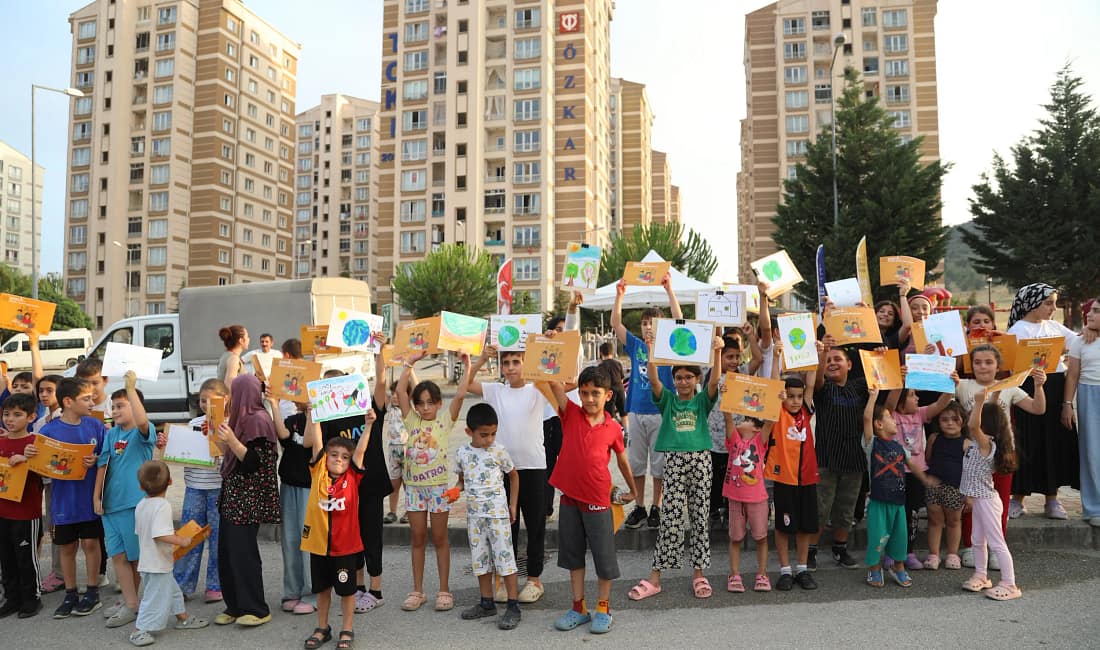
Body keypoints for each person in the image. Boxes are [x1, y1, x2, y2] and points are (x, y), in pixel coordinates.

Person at [627, 328, 722, 601]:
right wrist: (651, 349)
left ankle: (699, 574)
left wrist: (716, 351)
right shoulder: (667, 400)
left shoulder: (702, 401)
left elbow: (715, 382)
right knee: (670, 519)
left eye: (688, 377)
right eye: (679, 377)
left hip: (701, 460)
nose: (683, 382)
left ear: (697, 379)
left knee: (699, 517)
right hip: (674, 461)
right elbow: (654, 379)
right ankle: (655, 577)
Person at [545, 366, 637, 634]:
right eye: (584, 393)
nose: (588, 399)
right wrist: (554, 350)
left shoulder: (614, 428)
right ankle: (578, 608)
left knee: (603, 559)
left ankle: (603, 608)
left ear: (608, 395)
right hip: (569, 499)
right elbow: (553, 382)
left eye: (595, 393)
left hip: (598, 500)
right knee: (573, 557)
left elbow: (622, 461)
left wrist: (633, 491)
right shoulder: (571, 413)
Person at [466, 342, 553, 605]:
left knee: (535, 524)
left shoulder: (537, 388)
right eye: (506, 363)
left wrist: (548, 347)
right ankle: (506, 578)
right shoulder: (496, 390)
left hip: (534, 467)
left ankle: (534, 579)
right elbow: (466, 384)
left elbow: (567, 382)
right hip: (502, 470)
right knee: (506, 527)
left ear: (525, 362)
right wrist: (481, 359)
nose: (511, 367)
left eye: (516, 362)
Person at [316, 343, 392, 615]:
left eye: (337, 387)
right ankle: (359, 587)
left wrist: (379, 352)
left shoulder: (368, 410)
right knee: (354, 537)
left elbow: (381, 381)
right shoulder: (328, 421)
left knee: (372, 536)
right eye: (327, 390)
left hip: (370, 484)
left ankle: (376, 590)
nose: (333, 394)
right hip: (345, 490)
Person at [955, 344, 1045, 568]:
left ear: (998, 365)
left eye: (989, 362)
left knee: (1000, 502)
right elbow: (944, 407)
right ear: (971, 365)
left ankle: (997, 547)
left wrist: (1038, 385)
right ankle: (970, 545)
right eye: (977, 362)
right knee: (972, 500)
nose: (983, 366)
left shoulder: (1009, 386)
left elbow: (1037, 408)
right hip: (975, 453)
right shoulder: (963, 385)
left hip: (1003, 451)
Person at [395, 352, 470, 612]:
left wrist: (467, 365)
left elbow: (460, 396)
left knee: (440, 538)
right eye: (421, 403)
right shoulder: (411, 420)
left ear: (438, 404)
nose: (425, 407)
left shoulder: (445, 421)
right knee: (417, 538)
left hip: (438, 489)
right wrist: (410, 362)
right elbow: (400, 392)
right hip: (414, 490)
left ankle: (444, 590)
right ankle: (417, 591)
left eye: (430, 402)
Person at [300, 403, 377, 650]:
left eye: (344, 457)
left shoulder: (352, 476)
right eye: (334, 455)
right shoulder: (318, 471)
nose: (339, 460)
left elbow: (361, 450)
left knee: (347, 591)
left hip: (345, 547)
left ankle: (347, 628)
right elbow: (317, 443)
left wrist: (369, 425)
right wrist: (314, 416)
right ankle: (322, 627)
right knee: (322, 590)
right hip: (319, 545)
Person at [30, 377, 106, 618]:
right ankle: (70, 593)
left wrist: (97, 459)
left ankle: (92, 592)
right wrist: (31, 454)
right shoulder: (49, 430)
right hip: (63, 501)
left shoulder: (95, 426)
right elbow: (39, 466)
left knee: (91, 543)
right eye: (86, 399)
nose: (92, 402)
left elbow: (107, 457)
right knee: (67, 546)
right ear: (68, 402)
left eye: (92, 398)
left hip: (89, 499)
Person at [1006, 283, 1082, 520]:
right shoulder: (1017, 331)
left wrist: (1090, 331)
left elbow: (1077, 343)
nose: (1053, 308)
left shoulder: (1054, 326)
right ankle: (1018, 498)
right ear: (1032, 303)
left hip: (1055, 388)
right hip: (1028, 390)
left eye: (1054, 303)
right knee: (1027, 441)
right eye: (1048, 303)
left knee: (1054, 441)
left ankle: (1052, 498)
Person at [612, 273, 679, 530]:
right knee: (637, 463)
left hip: (661, 412)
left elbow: (680, 321)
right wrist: (619, 296)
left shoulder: (670, 345)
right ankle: (639, 506)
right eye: (644, 323)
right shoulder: (636, 345)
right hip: (637, 412)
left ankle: (656, 507)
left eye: (652, 323)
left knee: (659, 465)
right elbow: (616, 323)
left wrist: (669, 290)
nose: (647, 327)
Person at [212, 374, 280, 627]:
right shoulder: (239, 419)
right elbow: (232, 456)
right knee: (227, 553)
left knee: (244, 554)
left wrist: (232, 440)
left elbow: (255, 463)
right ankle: (234, 605)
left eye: (236, 391)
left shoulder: (259, 420)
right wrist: (221, 440)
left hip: (249, 499)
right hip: (233, 497)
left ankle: (257, 608)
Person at [93, 371, 156, 629]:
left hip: (133, 505)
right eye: (114, 406)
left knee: (135, 558)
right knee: (118, 556)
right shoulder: (111, 434)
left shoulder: (143, 433)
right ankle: (130, 603)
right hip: (110, 506)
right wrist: (97, 496)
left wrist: (131, 388)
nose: (115, 410)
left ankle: (136, 603)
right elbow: (102, 465)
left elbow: (142, 421)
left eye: (121, 406)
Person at [454, 403, 522, 631]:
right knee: (480, 560)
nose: (489, 439)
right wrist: (455, 490)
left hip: (497, 516)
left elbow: (513, 476)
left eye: (493, 434)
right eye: (484, 435)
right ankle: (486, 602)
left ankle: (513, 605)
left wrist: (513, 505)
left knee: (505, 559)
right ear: (469, 431)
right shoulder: (462, 453)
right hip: (475, 518)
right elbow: (462, 481)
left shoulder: (498, 451)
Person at [861, 388, 938, 588]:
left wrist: (925, 479)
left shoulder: (900, 448)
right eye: (889, 417)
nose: (894, 420)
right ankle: (874, 568)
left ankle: (898, 567)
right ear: (878, 424)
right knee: (877, 538)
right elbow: (867, 417)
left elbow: (912, 465)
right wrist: (873, 397)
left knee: (900, 538)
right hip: (879, 502)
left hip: (898, 503)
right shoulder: (872, 444)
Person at [129, 460, 209, 646]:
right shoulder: (163, 506)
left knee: (173, 591)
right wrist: (182, 540)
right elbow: (159, 534)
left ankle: (183, 618)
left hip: (150, 561)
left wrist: (171, 533)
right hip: (157, 564)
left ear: (141, 486)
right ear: (171, 482)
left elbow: (146, 530)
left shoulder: (141, 504)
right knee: (153, 598)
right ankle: (138, 630)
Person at [807, 336, 869, 571]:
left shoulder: (859, 387)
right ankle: (810, 551)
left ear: (849, 364)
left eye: (838, 359)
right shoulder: (823, 389)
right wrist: (822, 353)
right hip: (825, 459)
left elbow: (885, 379)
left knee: (846, 509)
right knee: (820, 509)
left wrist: (884, 358)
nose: (832, 363)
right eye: (828, 360)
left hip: (854, 459)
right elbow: (818, 378)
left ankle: (840, 549)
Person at [883, 383, 955, 570]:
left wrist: (950, 384)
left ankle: (908, 552)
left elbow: (940, 404)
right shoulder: (892, 415)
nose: (917, 398)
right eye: (912, 395)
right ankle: (890, 552)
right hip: (895, 473)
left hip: (917, 472)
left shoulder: (920, 414)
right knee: (894, 513)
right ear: (901, 403)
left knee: (912, 513)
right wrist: (899, 382)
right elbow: (890, 403)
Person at [961, 391, 1022, 601]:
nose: (971, 416)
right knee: (977, 540)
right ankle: (981, 575)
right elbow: (986, 417)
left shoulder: (986, 445)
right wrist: (993, 397)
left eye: (976, 414)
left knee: (997, 543)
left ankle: (1009, 584)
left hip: (987, 501)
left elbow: (973, 425)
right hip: (979, 500)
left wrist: (979, 402)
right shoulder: (977, 442)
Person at [173, 379, 225, 603]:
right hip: (194, 487)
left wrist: (216, 436)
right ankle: (182, 585)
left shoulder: (228, 425)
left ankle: (215, 585)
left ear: (225, 400)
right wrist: (169, 445)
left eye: (211, 401)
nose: (205, 405)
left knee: (217, 539)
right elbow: (182, 451)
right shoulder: (194, 423)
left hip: (218, 488)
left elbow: (228, 458)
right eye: (203, 400)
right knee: (189, 536)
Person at [268, 392, 316, 616]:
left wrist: (312, 412)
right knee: (290, 540)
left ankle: (312, 593)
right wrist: (274, 404)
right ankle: (292, 591)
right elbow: (285, 438)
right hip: (288, 484)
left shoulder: (321, 419)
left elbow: (308, 442)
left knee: (309, 540)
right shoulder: (292, 419)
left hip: (310, 487)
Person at [0, 392, 46, 618]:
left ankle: (32, 598)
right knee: (6, 557)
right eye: (6, 414)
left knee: (26, 558)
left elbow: (49, 471)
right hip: (2, 511)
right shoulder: (1, 441)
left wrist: (27, 459)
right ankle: (12, 598)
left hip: (26, 513)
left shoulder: (36, 443)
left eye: (17, 414)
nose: (10, 419)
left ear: (31, 417)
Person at [724, 416, 770, 593]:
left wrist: (775, 403)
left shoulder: (759, 441)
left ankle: (762, 574)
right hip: (735, 498)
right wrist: (728, 407)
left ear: (756, 428)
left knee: (761, 537)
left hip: (757, 498)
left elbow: (769, 422)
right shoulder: (734, 439)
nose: (740, 421)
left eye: (746, 419)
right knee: (735, 538)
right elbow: (728, 419)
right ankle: (734, 574)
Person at [1064, 297, 1100, 526]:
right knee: (1091, 451)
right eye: (1090, 310)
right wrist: (1067, 404)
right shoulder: (1081, 341)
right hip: (1089, 395)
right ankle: (1094, 508)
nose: (1090, 314)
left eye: (1096, 311)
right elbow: (1072, 375)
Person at [922, 401, 968, 571]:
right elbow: (928, 459)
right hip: (934, 486)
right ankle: (933, 554)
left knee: (954, 521)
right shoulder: (934, 438)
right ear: (938, 421)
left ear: (963, 421)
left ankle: (952, 554)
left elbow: (970, 471)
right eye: (945, 419)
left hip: (955, 488)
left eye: (955, 419)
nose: (950, 423)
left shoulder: (967, 443)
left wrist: (969, 495)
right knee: (934, 520)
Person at [34, 373, 65, 594]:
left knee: (63, 526)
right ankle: (58, 571)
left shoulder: (65, 419)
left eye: (49, 391)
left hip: (64, 481)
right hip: (47, 481)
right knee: (54, 526)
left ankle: (62, 574)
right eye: (41, 391)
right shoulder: (39, 422)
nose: (44, 395)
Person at [383, 379, 412, 525]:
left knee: (408, 484)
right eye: (393, 393)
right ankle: (392, 511)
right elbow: (381, 390)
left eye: (398, 394)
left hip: (407, 450)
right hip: (393, 450)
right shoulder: (390, 409)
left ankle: (409, 511)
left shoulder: (410, 410)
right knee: (394, 484)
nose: (394, 396)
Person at [597, 341, 627, 426]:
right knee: (624, 414)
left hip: (610, 392)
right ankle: (627, 432)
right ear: (612, 352)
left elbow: (601, 382)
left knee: (610, 415)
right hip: (621, 390)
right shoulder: (618, 364)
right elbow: (622, 379)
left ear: (601, 353)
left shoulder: (601, 366)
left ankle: (613, 430)